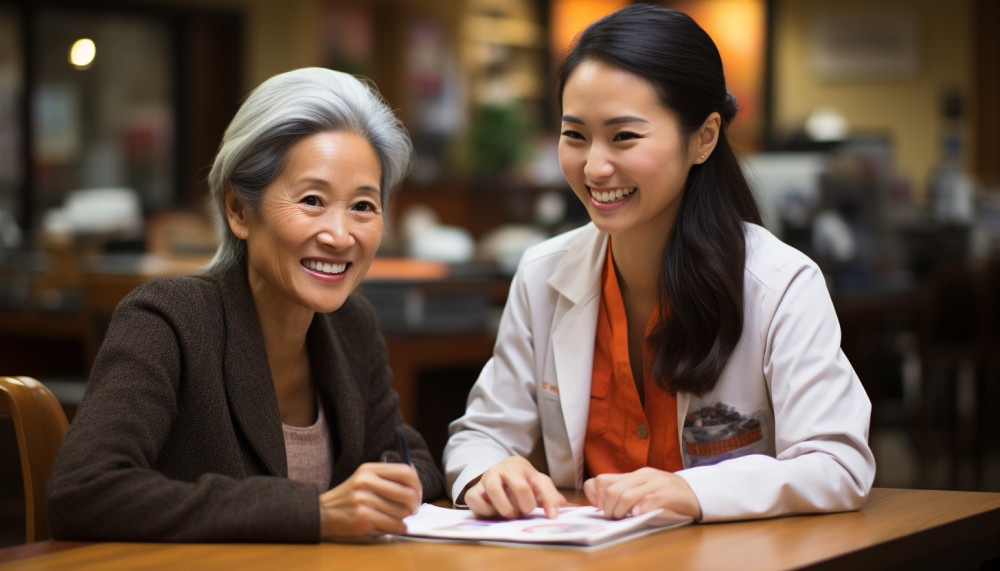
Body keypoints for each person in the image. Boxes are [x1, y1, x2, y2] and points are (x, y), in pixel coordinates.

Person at [443, 4, 875, 524]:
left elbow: (837, 463)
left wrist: (694, 493)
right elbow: (483, 434)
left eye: (624, 136)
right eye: (575, 135)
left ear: (704, 138)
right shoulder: (541, 275)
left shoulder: (780, 284)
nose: (595, 166)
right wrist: (489, 472)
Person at [46, 67, 444, 542]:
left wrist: (415, 483)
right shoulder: (169, 320)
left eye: (363, 206)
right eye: (313, 200)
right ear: (238, 210)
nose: (339, 236)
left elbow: (408, 462)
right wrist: (311, 512)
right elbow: (83, 492)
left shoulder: (350, 324)